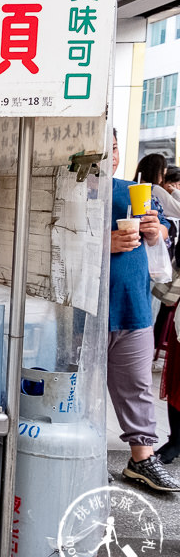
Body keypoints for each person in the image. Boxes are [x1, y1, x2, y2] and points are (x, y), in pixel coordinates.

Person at [107, 130, 180, 490]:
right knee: (76, 393)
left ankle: (142, 460)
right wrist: (102, 244)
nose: (112, 153)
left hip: (132, 305)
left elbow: (167, 229)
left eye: (116, 146)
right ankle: (82, 455)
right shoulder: (68, 192)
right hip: (82, 312)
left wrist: (158, 231)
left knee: (136, 386)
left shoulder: (134, 192)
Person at [137, 153, 180, 219]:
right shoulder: (154, 189)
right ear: (157, 173)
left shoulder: (132, 186)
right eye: (162, 175)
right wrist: (174, 191)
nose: (161, 180)